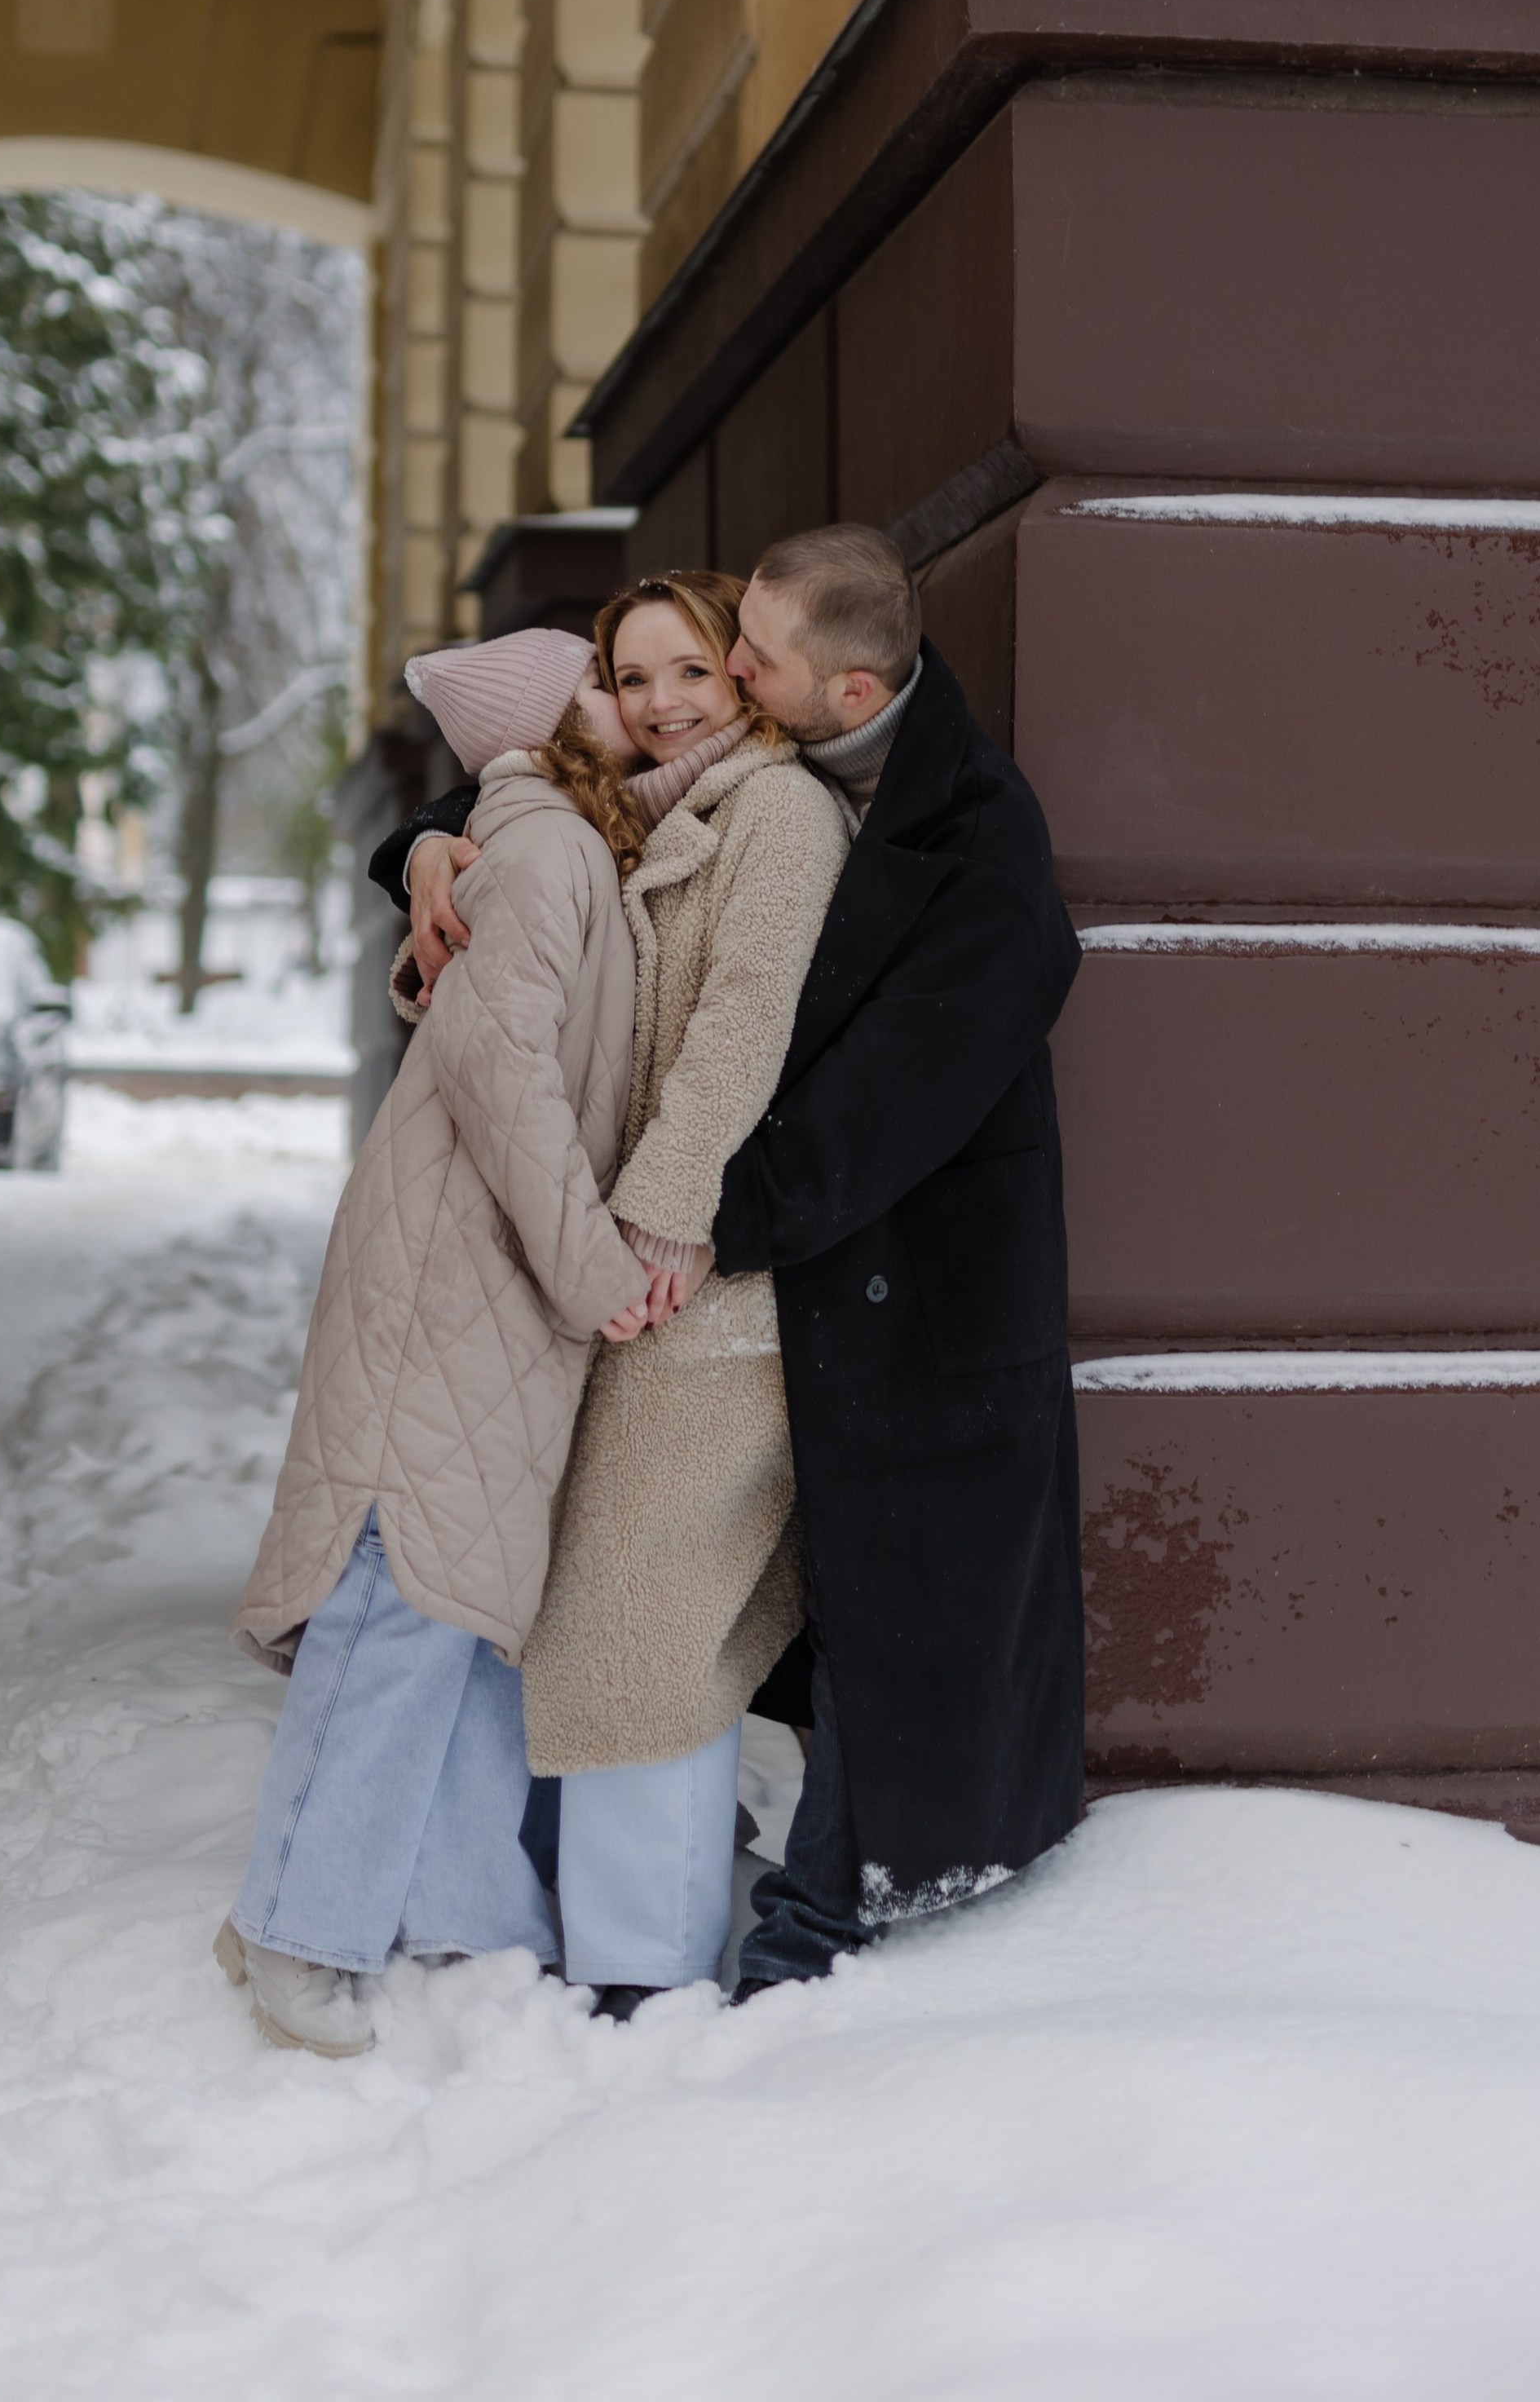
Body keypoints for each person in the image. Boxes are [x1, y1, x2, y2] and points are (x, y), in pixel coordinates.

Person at [218, 628, 654, 2057]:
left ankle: (472, 1918)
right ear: (549, 723)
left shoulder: (549, 839)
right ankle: (293, 1924)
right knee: (397, 1587)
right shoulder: (544, 848)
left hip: (479, 1269)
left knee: (461, 1598)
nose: (633, 698)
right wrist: (596, 1266)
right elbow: (495, 1063)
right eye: (604, 680)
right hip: (452, 1276)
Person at [717, 523, 1087, 1993]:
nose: (726, 671)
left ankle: (820, 1921)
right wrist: (430, 842)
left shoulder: (984, 841)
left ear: (854, 692)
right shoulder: (767, 745)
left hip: (923, 1288)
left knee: (900, 1609)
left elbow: (878, 1114)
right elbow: (568, 767)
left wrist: (674, 1216)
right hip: (795, 1272)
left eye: (757, 655)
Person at [519, 569, 851, 2015]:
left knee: (646, 1618)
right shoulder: (649, 812)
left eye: (691, 672)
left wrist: (660, 1215)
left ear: (745, 679)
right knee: (626, 1611)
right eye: (630, 675)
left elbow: (744, 1023)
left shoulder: (776, 812)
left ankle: (645, 1969)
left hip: (708, 1279)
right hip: (639, 1274)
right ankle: (628, 1937)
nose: (659, 702)